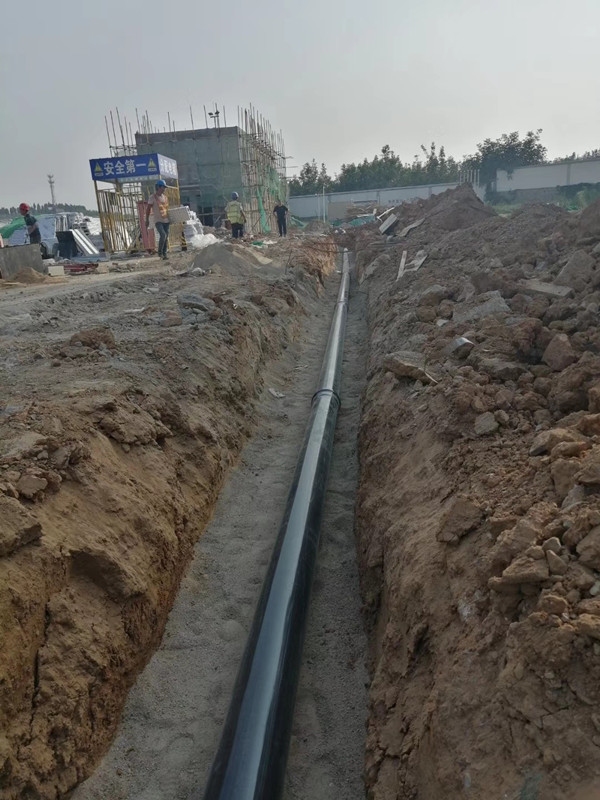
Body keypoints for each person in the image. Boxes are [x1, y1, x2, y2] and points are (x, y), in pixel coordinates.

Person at [145, 180, 170, 260]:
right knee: (163, 235)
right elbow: (148, 209)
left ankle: (164, 254)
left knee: (166, 237)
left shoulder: (165, 197)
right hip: (158, 220)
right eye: (163, 187)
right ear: (158, 187)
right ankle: (160, 253)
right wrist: (147, 219)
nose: (164, 189)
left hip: (166, 220)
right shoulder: (152, 197)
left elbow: (166, 209)